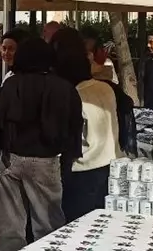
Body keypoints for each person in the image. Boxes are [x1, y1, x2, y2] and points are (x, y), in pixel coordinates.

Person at [0, 36, 82, 251]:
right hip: (46, 160)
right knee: (50, 225)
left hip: (10, 159)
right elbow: (74, 128)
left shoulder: (11, 85)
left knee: (12, 226)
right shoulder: (64, 88)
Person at [52, 28, 123, 222]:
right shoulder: (106, 88)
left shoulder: (72, 95)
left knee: (77, 227)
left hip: (82, 171)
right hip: (109, 166)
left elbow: (66, 138)